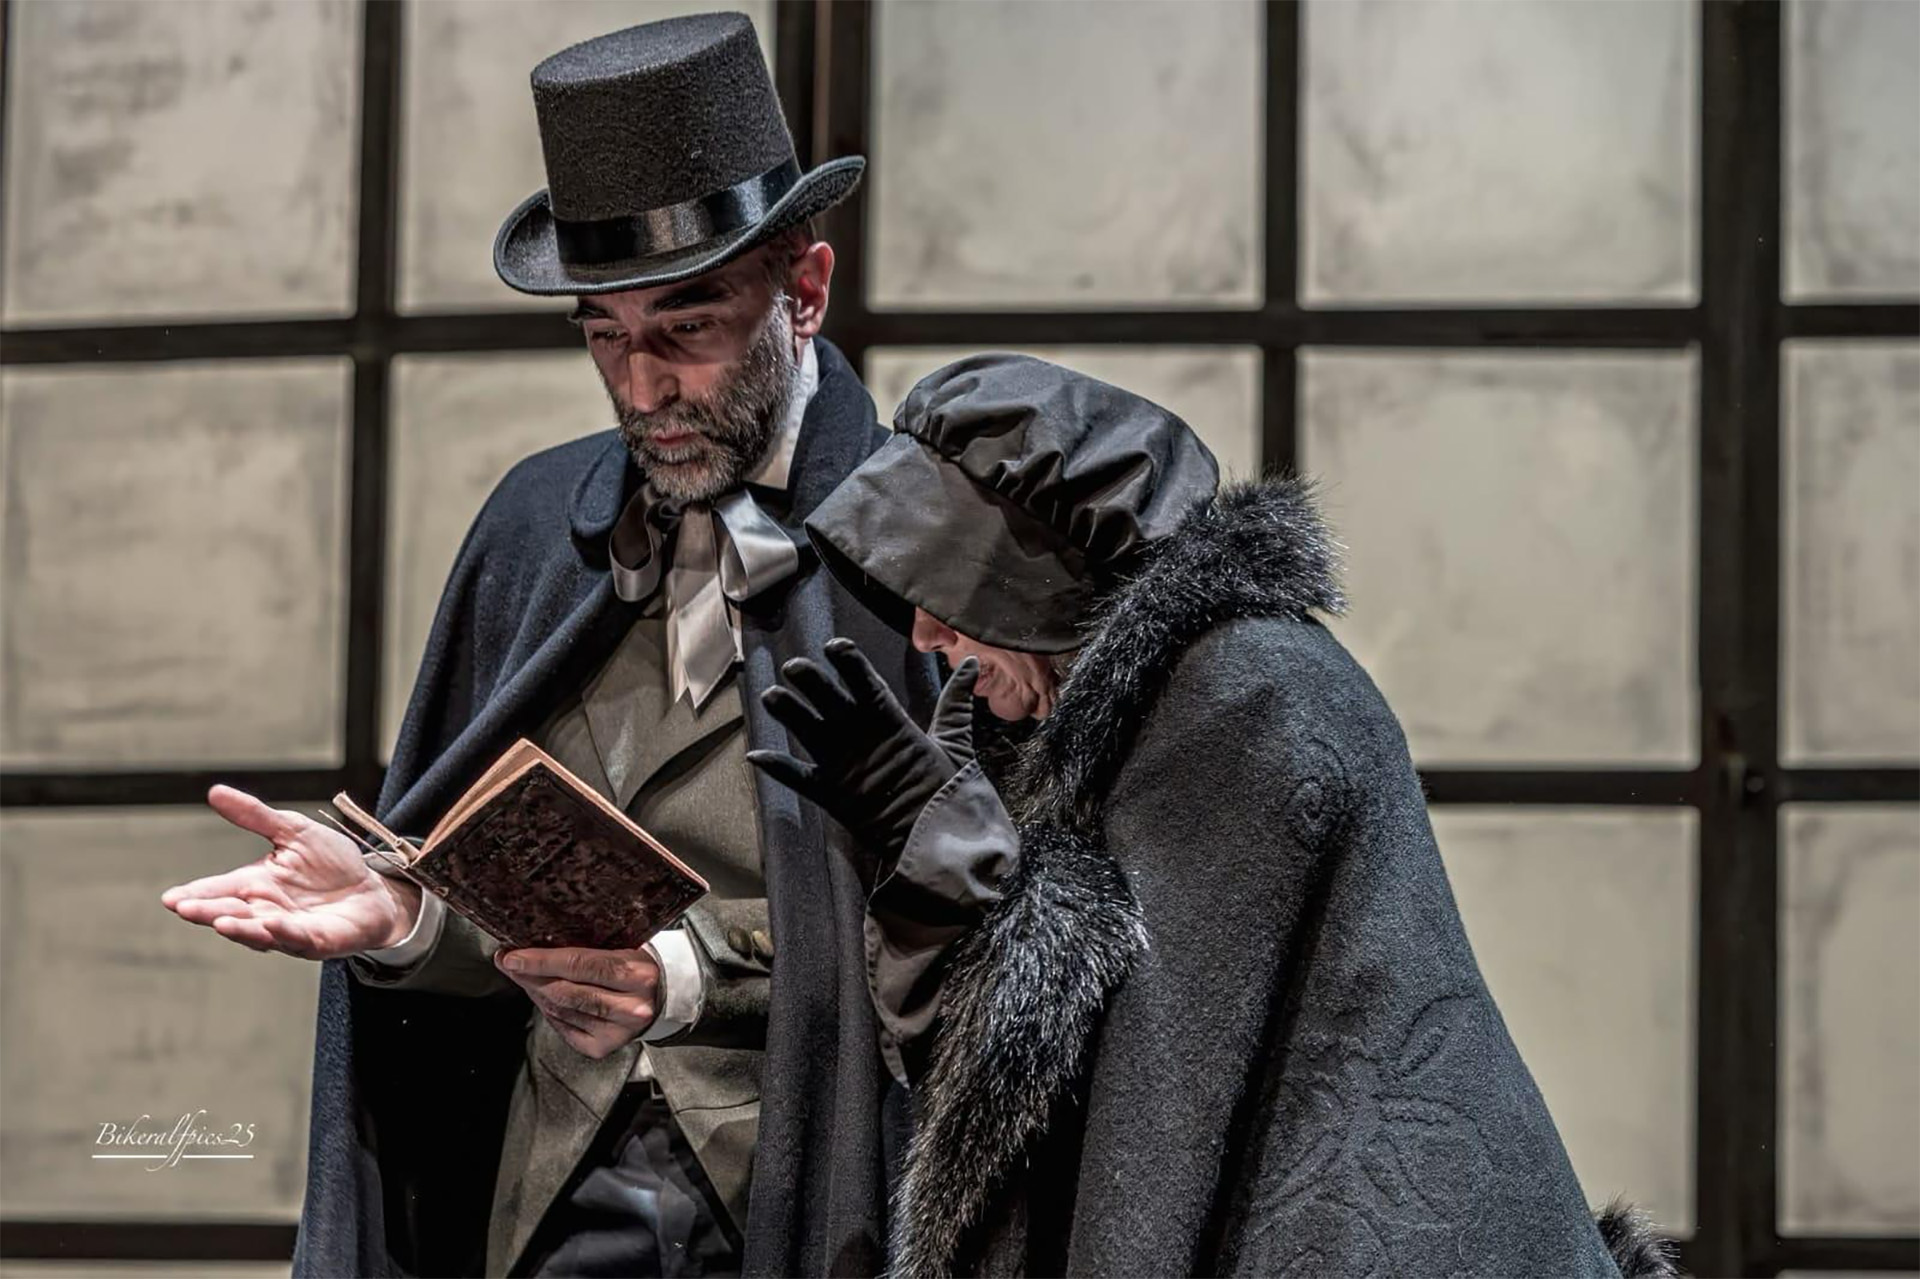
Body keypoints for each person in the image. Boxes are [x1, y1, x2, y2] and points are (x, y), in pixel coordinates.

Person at [160, 14, 946, 1277]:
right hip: (541, 1209)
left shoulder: (929, 551)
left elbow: (982, 928)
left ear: (803, 292)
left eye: (686, 329)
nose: (642, 390)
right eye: (604, 334)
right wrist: (409, 915)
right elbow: (510, 914)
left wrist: (695, 975)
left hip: (810, 1206)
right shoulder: (539, 526)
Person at [745, 354, 1681, 1277]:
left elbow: (1155, 1092)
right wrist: (938, 855)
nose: (924, 632)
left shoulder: (1245, 699)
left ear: (1029, 579)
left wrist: (968, 860)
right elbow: (1031, 1081)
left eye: (945, 590)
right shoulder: (1071, 729)